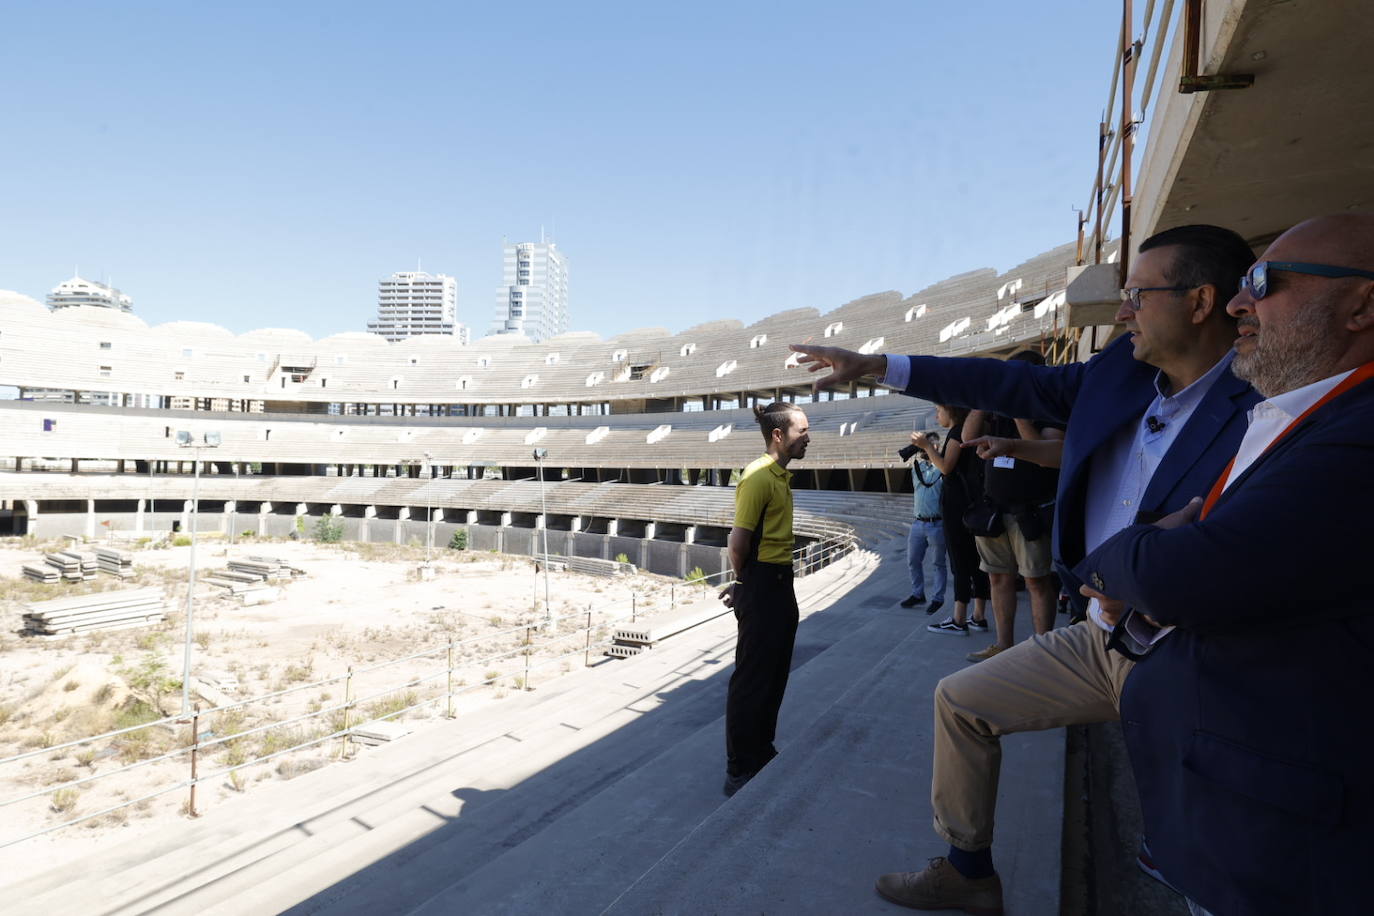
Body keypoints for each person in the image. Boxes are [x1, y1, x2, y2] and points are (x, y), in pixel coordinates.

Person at [790, 223, 1259, 912]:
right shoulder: (1121, 373)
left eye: (1137, 295)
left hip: (1194, 654)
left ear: (1199, 302)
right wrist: (876, 366)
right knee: (962, 700)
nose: (1122, 311)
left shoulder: (1261, 403)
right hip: (1100, 631)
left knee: (1211, 863)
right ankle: (968, 869)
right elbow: (1002, 380)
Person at [1077, 213, 1374, 916]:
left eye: (1265, 284)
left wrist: (1119, 556)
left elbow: (1188, 574)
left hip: (1282, 847)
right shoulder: (1310, 413)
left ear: (1363, 307)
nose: (1243, 301)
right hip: (1235, 809)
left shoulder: (1359, 430)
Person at [719, 401, 810, 797]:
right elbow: (737, 543)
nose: (808, 437)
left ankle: (761, 750)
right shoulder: (757, 477)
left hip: (779, 583)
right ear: (779, 435)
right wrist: (745, 585)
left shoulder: (779, 476)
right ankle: (739, 767)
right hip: (762, 584)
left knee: (774, 674)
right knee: (752, 679)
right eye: (802, 431)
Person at [959, 350, 1064, 661]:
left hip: (1030, 510)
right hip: (994, 510)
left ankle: (1042, 652)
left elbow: (1045, 451)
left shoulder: (1050, 407)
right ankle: (1004, 646)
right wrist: (984, 398)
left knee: (1036, 580)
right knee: (997, 577)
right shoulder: (996, 409)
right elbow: (966, 437)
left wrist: (1019, 410)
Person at [914, 404, 990, 635]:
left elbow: (946, 467)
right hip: (971, 504)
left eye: (939, 410)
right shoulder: (970, 431)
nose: (937, 415)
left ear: (952, 411)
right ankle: (978, 615)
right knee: (976, 562)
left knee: (959, 562)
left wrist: (927, 447)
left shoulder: (957, 433)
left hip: (957, 507)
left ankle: (958, 619)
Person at [899, 445, 948, 615]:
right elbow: (903, 457)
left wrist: (934, 453)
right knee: (913, 561)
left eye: (932, 445)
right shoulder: (917, 468)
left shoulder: (943, 469)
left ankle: (938, 598)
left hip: (937, 523)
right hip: (918, 523)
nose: (928, 448)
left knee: (938, 563)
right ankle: (917, 594)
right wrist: (916, 447)